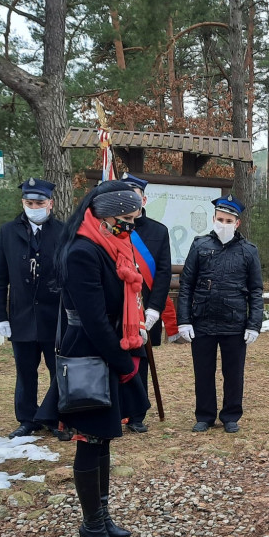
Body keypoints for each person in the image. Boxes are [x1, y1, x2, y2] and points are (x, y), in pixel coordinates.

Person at [46, 181, 150, 537]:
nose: (131, 226)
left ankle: (101, 517)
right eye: (125, 219)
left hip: (107, 350)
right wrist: (124, 365)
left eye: (134, 218)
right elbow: (93, 320)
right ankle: (90, 525)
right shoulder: (82, 252)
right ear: (103, 216)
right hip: (90, 354)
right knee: (89, 441)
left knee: (103, 439)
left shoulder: (111, 244)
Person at [176, 195, 263, 434]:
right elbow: (186, 285)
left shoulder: (248, 251)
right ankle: (204, 415)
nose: (223, 224)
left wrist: (254, 324)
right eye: (220, 219)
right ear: (213, 219)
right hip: (202, 321)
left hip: (234, 323)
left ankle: (231, 415)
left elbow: (256, 290)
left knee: (233, 373)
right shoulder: (200, 245)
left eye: (228, 220)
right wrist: (183, 320)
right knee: (203, 372)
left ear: (237, 223)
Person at [0, 177, 66, 439]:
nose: (34, 206)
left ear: (50, 204)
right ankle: (27, 418)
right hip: (21, 316)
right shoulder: (8, 232)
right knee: (25, 371)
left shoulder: (64, 232)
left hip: (54, 317)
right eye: (29, 202)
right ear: (23, 203)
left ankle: (57, 417)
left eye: (39, 202)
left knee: (59, 371)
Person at [121, 173, 177, 433]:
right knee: (115, 357)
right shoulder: (110, 228)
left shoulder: (158, 231)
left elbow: (164, 272)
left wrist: (154, 309)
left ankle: (136, 414)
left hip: (145, 309)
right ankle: (115, 410)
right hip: (118, 307)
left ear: (143, 198)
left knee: (140, 359)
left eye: (135, 194)